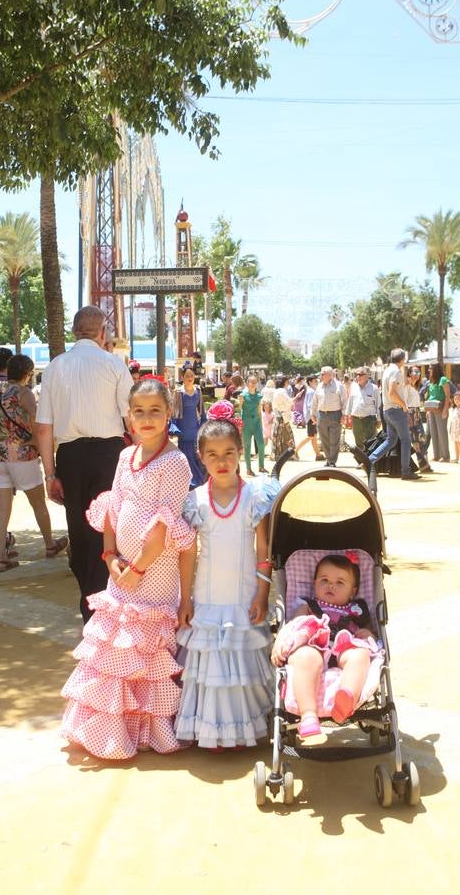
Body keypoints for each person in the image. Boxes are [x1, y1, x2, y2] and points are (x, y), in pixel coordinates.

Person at [61, 378, 196, 759]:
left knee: (143, 649)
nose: (147, 418)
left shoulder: (175, 462)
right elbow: (111, 508)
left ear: (169, 414)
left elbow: (163, 525)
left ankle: (144, 728)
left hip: (155, 573)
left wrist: (136, 569)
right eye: (139, 411)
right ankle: (110, 728)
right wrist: (109, 556)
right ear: (129, 417)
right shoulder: (125, 457)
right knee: (113, 647)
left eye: (156, 411)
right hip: (119, 571)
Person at [174, 401, 279, 749]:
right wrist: (185, 599)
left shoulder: (255, 497)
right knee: (211, 672)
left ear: (240, 453)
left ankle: (242, 731)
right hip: (206, 599)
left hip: (244, 598)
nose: (222, 461)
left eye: (230, 453)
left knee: (241, 670)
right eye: (213, 454)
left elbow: (263, 552)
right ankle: (210, 732)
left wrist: (262, 595)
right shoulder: (195, 500)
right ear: (200, 457)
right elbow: (188, 553)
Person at [36, 306, 132, 622]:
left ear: (74, 332)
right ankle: (103, 599)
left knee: (79, 530)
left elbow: (44, 428)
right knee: (109, 528)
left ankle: (90, 602)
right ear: (102, 332)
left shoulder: (54, 368)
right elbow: (131, 416)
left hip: (70, 458)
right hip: (109, 454)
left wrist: (50, 473)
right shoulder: (114, 365)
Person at [0, 354, 68, 572]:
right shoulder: (23, 393)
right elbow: (37, 421)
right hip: (22, 455)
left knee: (0, 509)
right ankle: (49, 544)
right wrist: (36, 442)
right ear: (27, 374)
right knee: (38, 503)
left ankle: (1, 557)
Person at [271, 553, 378, 739]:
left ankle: (346, 698)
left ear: (353, 591)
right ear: (314, 583)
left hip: (344, 647)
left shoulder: (356, 610)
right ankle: (308, 715)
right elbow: (293, 626)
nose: (331, 585)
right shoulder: (308, 605)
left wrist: (368, 634)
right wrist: (280, 640)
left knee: (360, 655)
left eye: (340, 582)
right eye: (324, 580)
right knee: (306, 657)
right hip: (315, 646)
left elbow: (370, 632)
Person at [363, 348, 419, 481]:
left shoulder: (388, 370)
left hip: (387, 410)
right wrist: (404, 405)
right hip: (396, 409)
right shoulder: (396, 371)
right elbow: (392, 392)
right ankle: (406, 471)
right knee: (405, 440)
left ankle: (369, 460)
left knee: (391, 440)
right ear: (402, 359)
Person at [171, 367, 206, 488]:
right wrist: (173, 426)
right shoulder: (178, 392)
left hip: (194, 427)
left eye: (192, 375)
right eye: (187, 376)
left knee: (196, 453)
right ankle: (187, 481)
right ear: (182, 377)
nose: (190, 378)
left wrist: (204, 424)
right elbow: (174, 412)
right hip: (183, 427)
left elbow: (202, 410)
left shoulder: (198, 391)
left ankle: (197, 480)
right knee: (185, 455)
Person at [310, 366, 346, 467]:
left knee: (334, 439)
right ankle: (328, 458)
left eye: (323, 373)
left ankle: (332, 461)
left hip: (335, 414)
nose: (321, 375)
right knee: (324, 439)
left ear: (330, 375)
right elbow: (315, 401)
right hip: (321, 415)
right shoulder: (319, 386)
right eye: (321, 373)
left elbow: (344, 401)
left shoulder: (338, 386)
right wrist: (312, 414)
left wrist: (344, 414)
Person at [345, 367, 380, 450]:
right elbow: (350, 402)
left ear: (367, 376)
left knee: (371, 443)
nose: (358, 376)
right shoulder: (353, 387)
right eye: (356, 375)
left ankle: (371, 462)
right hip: (356, 419)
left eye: (360, 374)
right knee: (358, 443)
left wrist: (379, 420)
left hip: (369, 420)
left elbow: (379, 405)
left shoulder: (374, 388)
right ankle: (361, 462)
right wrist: (347, 416)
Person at [405, 366, 432, 473]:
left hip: (417, 413)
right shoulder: (407, 386)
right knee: (415, 440)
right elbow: (405, 401)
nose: (417, 374)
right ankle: (423, 464)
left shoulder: (415, 387)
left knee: (421, 438)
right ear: (409, 373)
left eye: (418, 372)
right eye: (414, 372)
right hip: (410, 413)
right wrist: (407, 415)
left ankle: (423, 463)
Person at [425, 362, 452, 462]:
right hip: (431, 409)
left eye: (430, 368)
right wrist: (428, 410)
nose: (429, 370)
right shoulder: (430, 381)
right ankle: (436, 455)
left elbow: (447, 395)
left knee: (442, 432)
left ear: (435, 369)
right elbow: (429, 395)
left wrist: (445, 409)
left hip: (441, 409)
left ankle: (446, 456)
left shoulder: (443, 379)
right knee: (433, 432)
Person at [295, 374, 324, 461]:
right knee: (311, 436)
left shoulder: (310, 390)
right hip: (311, 417)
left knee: (313, 436)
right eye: (315, 381)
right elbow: (310, 405)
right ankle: (294, 451)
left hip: (310, 417)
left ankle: (318, 455)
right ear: (310, 382)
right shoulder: (311, 392)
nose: (317, 382)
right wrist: (314, 417)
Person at [242, 374, 266, 476]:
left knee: (261, 444)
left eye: (254, 382)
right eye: (250, 382)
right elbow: (239, 409)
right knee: (247, 447)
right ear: (247, 383)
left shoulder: (259, 396)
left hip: (256, 423)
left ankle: (261, 466)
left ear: (257, 384)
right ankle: (248, 469)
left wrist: (260, 424)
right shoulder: (243, 395)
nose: (252, 384)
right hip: (246, 424)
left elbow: (259, 411)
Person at [271, 374, 296, 459]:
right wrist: (295, 398)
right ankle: (289, 455)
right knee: (286, 435)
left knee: (277, 436)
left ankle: (276, 454)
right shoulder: (282, 391)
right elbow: (289, 402)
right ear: (285, 382)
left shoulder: (276, 391)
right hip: (282, 416)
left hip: (278, 414)